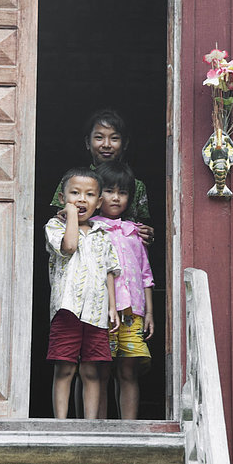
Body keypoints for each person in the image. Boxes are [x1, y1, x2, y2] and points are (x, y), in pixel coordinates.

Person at [45, 167, 121, 419]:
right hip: (67, 311)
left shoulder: (102, 234)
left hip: (96, 313)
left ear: (98, 202)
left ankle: (89, 425)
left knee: (92, 371)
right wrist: (70, 217)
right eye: (74, 193)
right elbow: (69, 246)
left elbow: (110, 271)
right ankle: (61, 423)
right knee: (65, 368)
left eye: (89, 195)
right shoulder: (55, 226)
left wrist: (112, 307)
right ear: (61, 198)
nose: (81, 199)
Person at [92, 161, 155, 419]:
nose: (116, 197)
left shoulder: (134, 233)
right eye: (109, 191)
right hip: (101, 312)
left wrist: (149, 312)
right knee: (101, 371)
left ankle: (129, 428)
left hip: (133, 311)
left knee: (128, 371)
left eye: (123, 192)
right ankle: (101, 431)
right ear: (97, 195)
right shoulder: (91, 229)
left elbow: (146, 274)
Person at [51, 109, 154, 246]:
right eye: (99, 137)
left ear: (125, 144)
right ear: (88, 142)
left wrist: (146, 234)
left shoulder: (136, 186)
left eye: (114, 138)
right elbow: (59, 223)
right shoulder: (73, 180)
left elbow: (142, 227)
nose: (106, 145)